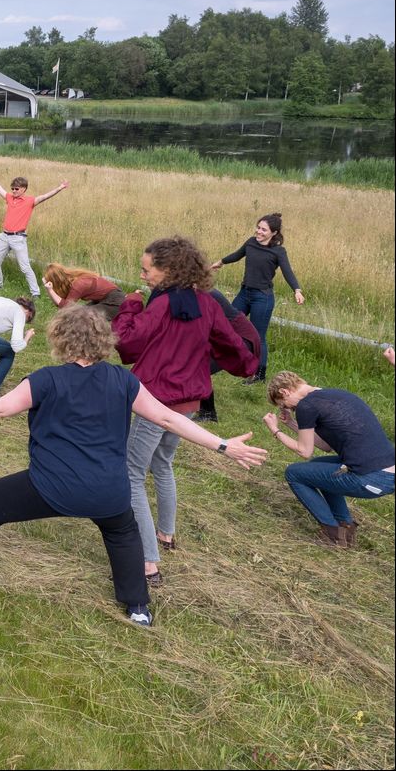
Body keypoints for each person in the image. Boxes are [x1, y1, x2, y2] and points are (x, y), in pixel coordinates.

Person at [0, 305, 268, 628]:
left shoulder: (46, 379)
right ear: (104, 340)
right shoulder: (124, 379)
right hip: (109, 491)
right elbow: (168, 418)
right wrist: (222, 445)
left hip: (51, 488)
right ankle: (138, 608)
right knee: (122, 531)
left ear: (60, 339)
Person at [113, 237, 257, 583]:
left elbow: (128, 340)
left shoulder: (160, 306)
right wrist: (249, 357)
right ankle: (166, 532)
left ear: (168, 270)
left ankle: (148, 561)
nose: (142, 275)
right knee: (162, 463)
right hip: (189, 403)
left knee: (131, 473)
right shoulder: (206, 305)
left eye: (147, 270)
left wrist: (131, 305)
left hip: (156, 402)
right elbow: (234, 347)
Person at [264, 372, 394, 548]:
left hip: (372, 478)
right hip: (387, 473)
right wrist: (291, 424)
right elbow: (326, 446)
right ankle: (345, 527)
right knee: (317, 467)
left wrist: (275, 430)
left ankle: (332, 535)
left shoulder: (306, 405)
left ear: (285, 391)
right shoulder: (336, 394)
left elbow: (304, 451)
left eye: (285, 405)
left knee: (293, 473)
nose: (289, 409)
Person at [210, 213, 305, 385]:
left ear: (273, 233)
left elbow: (287, 271)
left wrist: (297, 290)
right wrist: (221, 262)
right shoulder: (251, 243)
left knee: (258, 336)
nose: (259, 231)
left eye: (263, 229)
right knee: (226, 323)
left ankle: (259, 374)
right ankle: (224, 359)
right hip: (244, 293)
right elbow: (237, 255)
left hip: (262, 298)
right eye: (258, 227)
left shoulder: (278, 251)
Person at [0, 171, 68, 297]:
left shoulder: (30, 201)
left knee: (25, 267)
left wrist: (60, 188)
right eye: (12, 188)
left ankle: (35, 293)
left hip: (18, 238)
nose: (13, 191)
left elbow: (45, 196)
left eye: (16, 189)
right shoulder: (9, 198)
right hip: (4, 236)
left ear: (23, 189)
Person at [194, 289, 260, 422]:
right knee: (196, 365)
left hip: (241, 338)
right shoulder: (195, 291)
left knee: (197, 368)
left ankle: (208, 413)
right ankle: (204, 410)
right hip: (228, 336)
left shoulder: (204, 293)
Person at [41, 262, 125, 321]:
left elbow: (66, 307)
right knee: (78, 314)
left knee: (82, 316)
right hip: (105, 298)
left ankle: (89, 342)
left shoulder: (78, 283)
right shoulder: (72, 278)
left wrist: (50, 290)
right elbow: (61, 304)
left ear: (56, 280)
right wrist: (49, 290)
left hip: (115, 301)